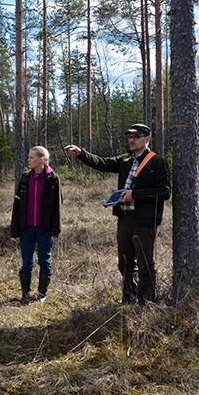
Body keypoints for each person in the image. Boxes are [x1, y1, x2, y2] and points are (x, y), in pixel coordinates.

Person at [64, 124, 170, 307]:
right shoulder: (125, 160)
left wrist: (135, 194)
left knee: (145, 264)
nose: (131, 140)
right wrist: (81, 153)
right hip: (124, 219)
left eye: (136, 137)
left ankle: (147, 303)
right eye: (130, 136)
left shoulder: (157, 163)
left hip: (144, 221)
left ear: (147, 139)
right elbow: (102, 163)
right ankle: (128, 300)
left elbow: (164, 192)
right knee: (125, 263)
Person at [10, 146, 62, 305]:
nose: (28, 160)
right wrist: (15, 227)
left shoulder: (53, 179)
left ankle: (42, 293)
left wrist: (55, 229)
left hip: (45, 229)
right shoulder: (25, 178)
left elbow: (57, 207)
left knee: (44, 261)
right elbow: (17, 204)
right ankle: (25, 294)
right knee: (27, 262)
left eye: (31, 157)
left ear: (41, 160)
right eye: (28, 157)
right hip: (26, 228)